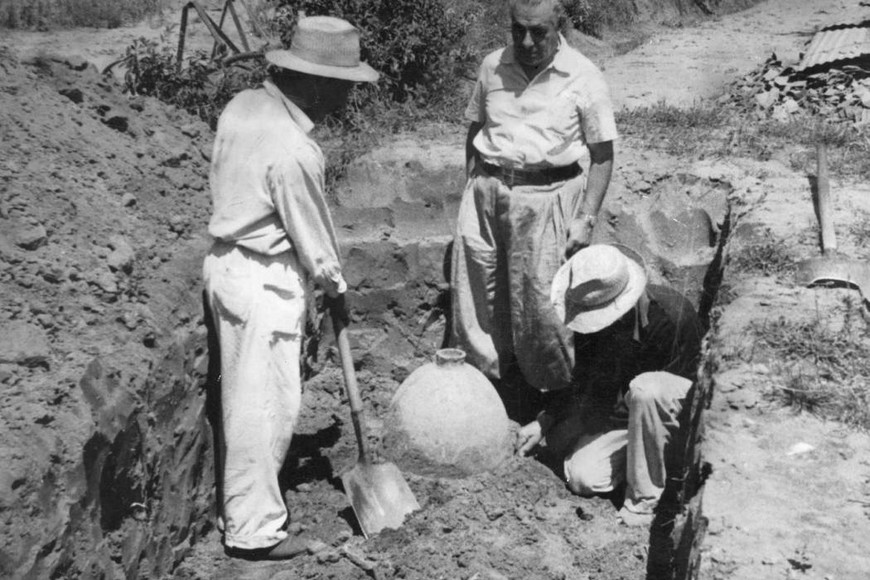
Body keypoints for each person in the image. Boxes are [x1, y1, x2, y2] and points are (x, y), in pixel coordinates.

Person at [202, 16, 379, 559]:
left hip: (227, 264)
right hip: (263, 282)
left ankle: (233, 502)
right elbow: (314, 239)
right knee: (263, 405)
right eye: (346, 86)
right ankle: (254, 531)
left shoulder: (244, 106)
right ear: (319, 81)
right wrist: (335, 288)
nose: (348, 99)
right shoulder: (293, 149)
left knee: (240, 395)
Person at [450, 0, 618, 404]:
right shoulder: (492, 66)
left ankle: (549, 404)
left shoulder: (583, 75)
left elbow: (602, 155)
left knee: (543, 305)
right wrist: (473, 189)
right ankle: (485, 392)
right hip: (487, 193)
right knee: (478, 296)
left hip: (547, 199)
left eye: (538, 32)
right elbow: (475, 130)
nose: (527, 41)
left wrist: (586, 218)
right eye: (518, 30)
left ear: (558, 24)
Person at [516, 244, 703, 525]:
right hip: (626, 422)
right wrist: (545, 420)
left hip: (667, 426)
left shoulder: (674, 319)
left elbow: (681, 405)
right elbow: (583, 378)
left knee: (647, 389)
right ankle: (630, 468)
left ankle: (642, 504)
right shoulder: (596, 323)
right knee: (581, 476)